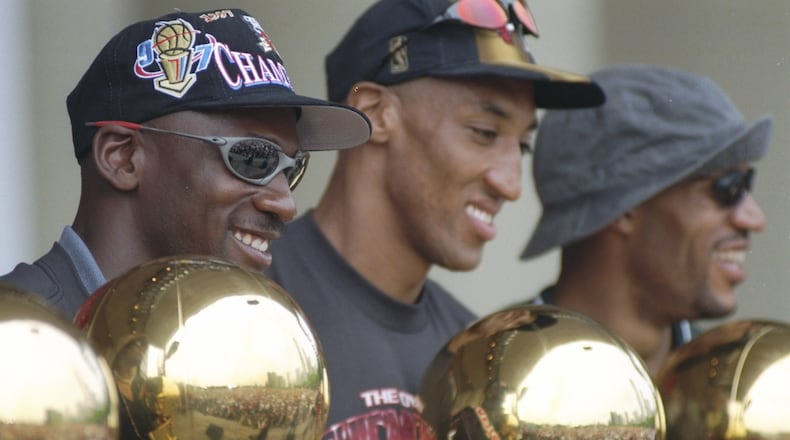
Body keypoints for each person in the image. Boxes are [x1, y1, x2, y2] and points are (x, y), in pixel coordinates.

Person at [266, 0, 605, 437]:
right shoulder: (249, 300)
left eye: (521, 146)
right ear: (373, 111)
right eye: (484, 133)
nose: (512, 185)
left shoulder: (475, 355)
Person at [0, 8, 371, 319]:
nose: (285, 204)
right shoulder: (17, 338)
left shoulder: (242, 346)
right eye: (255, 158)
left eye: (292, 168)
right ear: (123, 157)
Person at [517, 64, 773, 376]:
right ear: (625, 205)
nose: (754, 219)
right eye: (728, 189)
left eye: (748, 185)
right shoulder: (483, 379)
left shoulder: (739, 395)